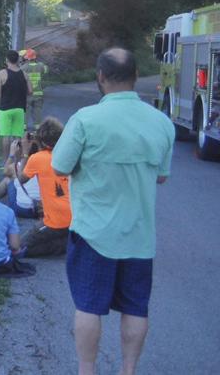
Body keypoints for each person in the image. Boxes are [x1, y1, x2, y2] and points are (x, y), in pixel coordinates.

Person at [51, 48, 175, 375]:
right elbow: (161, 176)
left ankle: (87, 370)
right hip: (139, 235)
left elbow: (60, 165)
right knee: (135, 307)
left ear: (101, 77)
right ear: (136, 76)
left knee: (89, 306)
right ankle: (128, 370)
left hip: (94, 234)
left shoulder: (85, 120)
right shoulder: (162, 123)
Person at [15, 117, 72, 257]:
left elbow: (21, 179)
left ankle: (63, 246)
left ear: (41, 140)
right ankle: (69, 241)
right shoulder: (70, 155)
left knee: (20, 249)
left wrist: (24, 153)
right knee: (56, 233)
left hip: (54, 221)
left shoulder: (38, 158)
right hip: (76, 218)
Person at [0, 49, 31, 162]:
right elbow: (30, 91)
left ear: (7, 60)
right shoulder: (24, 74)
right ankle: (18, 162)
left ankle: (6, 162)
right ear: (18, 60)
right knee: (18, 136)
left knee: (6, 137)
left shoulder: (2, 73)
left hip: (5, 109)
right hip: (20, 109)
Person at [22, 48, 49, 126]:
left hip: (27, 94)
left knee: (25, 110)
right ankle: (37, 127)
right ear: (35, 57)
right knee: (37, 111)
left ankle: (24, 126)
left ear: (27, 58)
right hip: (38, 93)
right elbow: (46, 70)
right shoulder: (40, 66)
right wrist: (41, 63)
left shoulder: (24, 67)